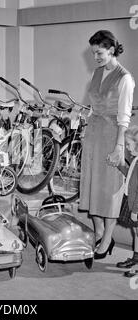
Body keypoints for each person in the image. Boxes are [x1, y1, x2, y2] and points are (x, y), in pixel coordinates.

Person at [79, 30, 135, 259]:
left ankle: (108, 236)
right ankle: (100, 230)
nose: (96, 57)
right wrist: (85, 126)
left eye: (99, 53)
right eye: (93, 53)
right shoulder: (96, 73)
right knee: (92, 183)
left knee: (110, 188)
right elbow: (93, 105)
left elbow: (124, 116)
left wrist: (119, 146)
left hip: (112, 135)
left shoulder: (125, 78)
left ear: (111, 50)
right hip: (93, 133)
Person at [115, 126, 138, 277]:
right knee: (136, 233)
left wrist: (135, 211)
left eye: (129, 144)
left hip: (136, 206)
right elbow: (130, 177)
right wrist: (119, 165)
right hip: (131, 202)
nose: (127, 148)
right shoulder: (136, 159)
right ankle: (136, 258)